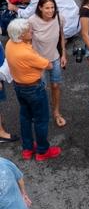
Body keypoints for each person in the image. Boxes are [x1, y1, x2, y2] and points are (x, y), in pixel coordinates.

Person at [4, 20, 56, 161]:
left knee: (25, 117)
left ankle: (27, 149)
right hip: (34, 88)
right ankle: (42, 151)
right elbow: (49, 65)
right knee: (41, 120)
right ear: (20, 35)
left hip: (19, 86)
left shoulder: (9, 44)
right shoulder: (26, 52)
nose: (31, 32)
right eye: (28, 31)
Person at [27, 0, 66, 129]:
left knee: (55, 86)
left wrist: (63, 55)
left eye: (52, 7)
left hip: (54, 58)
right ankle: (39, 114)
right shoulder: (32, 21)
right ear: (40, 8)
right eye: (47, 8)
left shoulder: (59, 17)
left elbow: (62, 36)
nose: (50, 11)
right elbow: (27, 42)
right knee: (40, 89)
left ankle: (56, 112)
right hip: (38, 61)